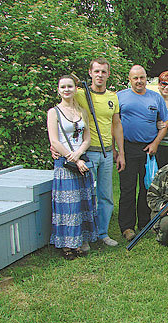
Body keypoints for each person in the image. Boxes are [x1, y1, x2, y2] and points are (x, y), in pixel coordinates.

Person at [72, 57, 126, 248]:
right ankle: (86, 235)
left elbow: (117, 125)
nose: (100, 75)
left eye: (103, 72)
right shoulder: (79, 94)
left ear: (108, 74)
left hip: (107, 154)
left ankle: (102, 233)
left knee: (106, 196)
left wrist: (121, 153)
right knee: (88, 195)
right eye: (96, 71)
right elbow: (63, 108)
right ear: (90, 73)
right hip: (88, 153)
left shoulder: (113, 97)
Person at [47, 75, 98, 260]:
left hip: (81, 160)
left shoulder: (82, 111)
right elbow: (54, 140)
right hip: (65, 163)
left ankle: (80, 240)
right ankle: (67, 244)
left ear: (76, 89)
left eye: (70, 86)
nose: (67, 89)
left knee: (82, 202)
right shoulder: (54, 112)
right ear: (58, 90)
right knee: (68, 205)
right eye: (63, 86)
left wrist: (80, 154)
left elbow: (87, 138)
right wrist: (73, 158)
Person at [117, 65, 168, 242]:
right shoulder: (121, 96)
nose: (139, 81)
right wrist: (118, 150)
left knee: (148, 187)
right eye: (135, 78)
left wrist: (156, 143)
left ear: (146, 78)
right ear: (129, 79)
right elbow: (113, 124)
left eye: (142, 77)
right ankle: (127, 227)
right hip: (127, 148)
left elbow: (165, 123)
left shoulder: (155, 98)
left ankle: (145, 222)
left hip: (150, 149)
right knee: (127, 188)